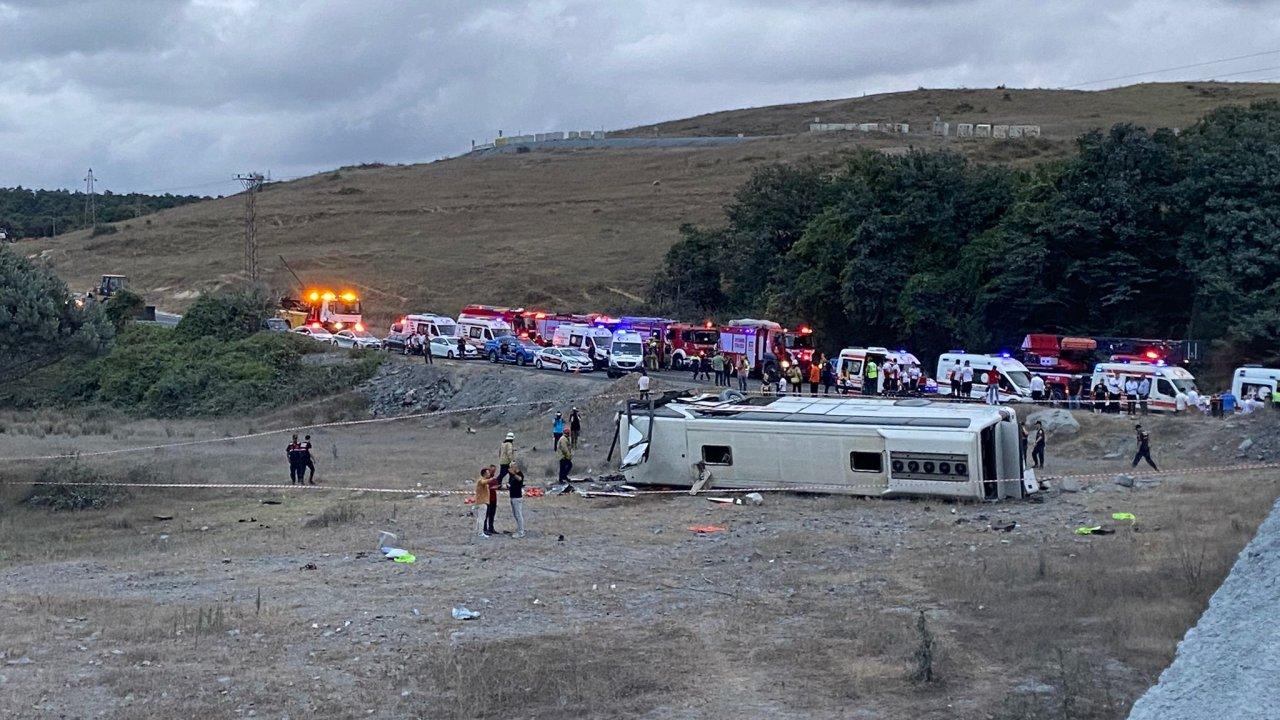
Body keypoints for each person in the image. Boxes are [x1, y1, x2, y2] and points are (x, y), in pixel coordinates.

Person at [507, 465, 527, 538]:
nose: (510, 469)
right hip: (512, 497)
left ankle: (521, 532)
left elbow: (519, 479)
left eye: (511, 467)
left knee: (518, 515)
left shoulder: (519, 474)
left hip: (517, 498)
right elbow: (510, 485)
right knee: (515, 514)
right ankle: (519, 529)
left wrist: (513, 473)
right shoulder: (512, 476)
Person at [473, 467, 493, 538]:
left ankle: (478, 531)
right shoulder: (481, 481)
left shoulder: (484, 482)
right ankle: (480, 533)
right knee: (481, 519)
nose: (489, 474)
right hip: (482, 503)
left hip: (480, 502)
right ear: (484, 474)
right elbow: (484, 482)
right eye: (488, 473)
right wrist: (492, 479)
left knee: (479, 519)